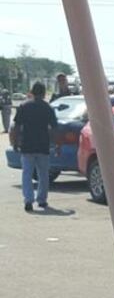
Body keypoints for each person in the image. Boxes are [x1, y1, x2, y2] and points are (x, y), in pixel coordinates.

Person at [12, 82, 57, 211]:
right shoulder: (47, 108)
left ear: (32, 92)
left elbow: (17, 126)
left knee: (27, 174)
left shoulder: (24, 106)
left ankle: (28, 200)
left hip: (27, 145)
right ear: (43, 93)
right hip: (43, 145)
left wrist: (15, 143)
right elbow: (54, 128)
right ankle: (42, 200)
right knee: (43, 175)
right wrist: (56, 144)